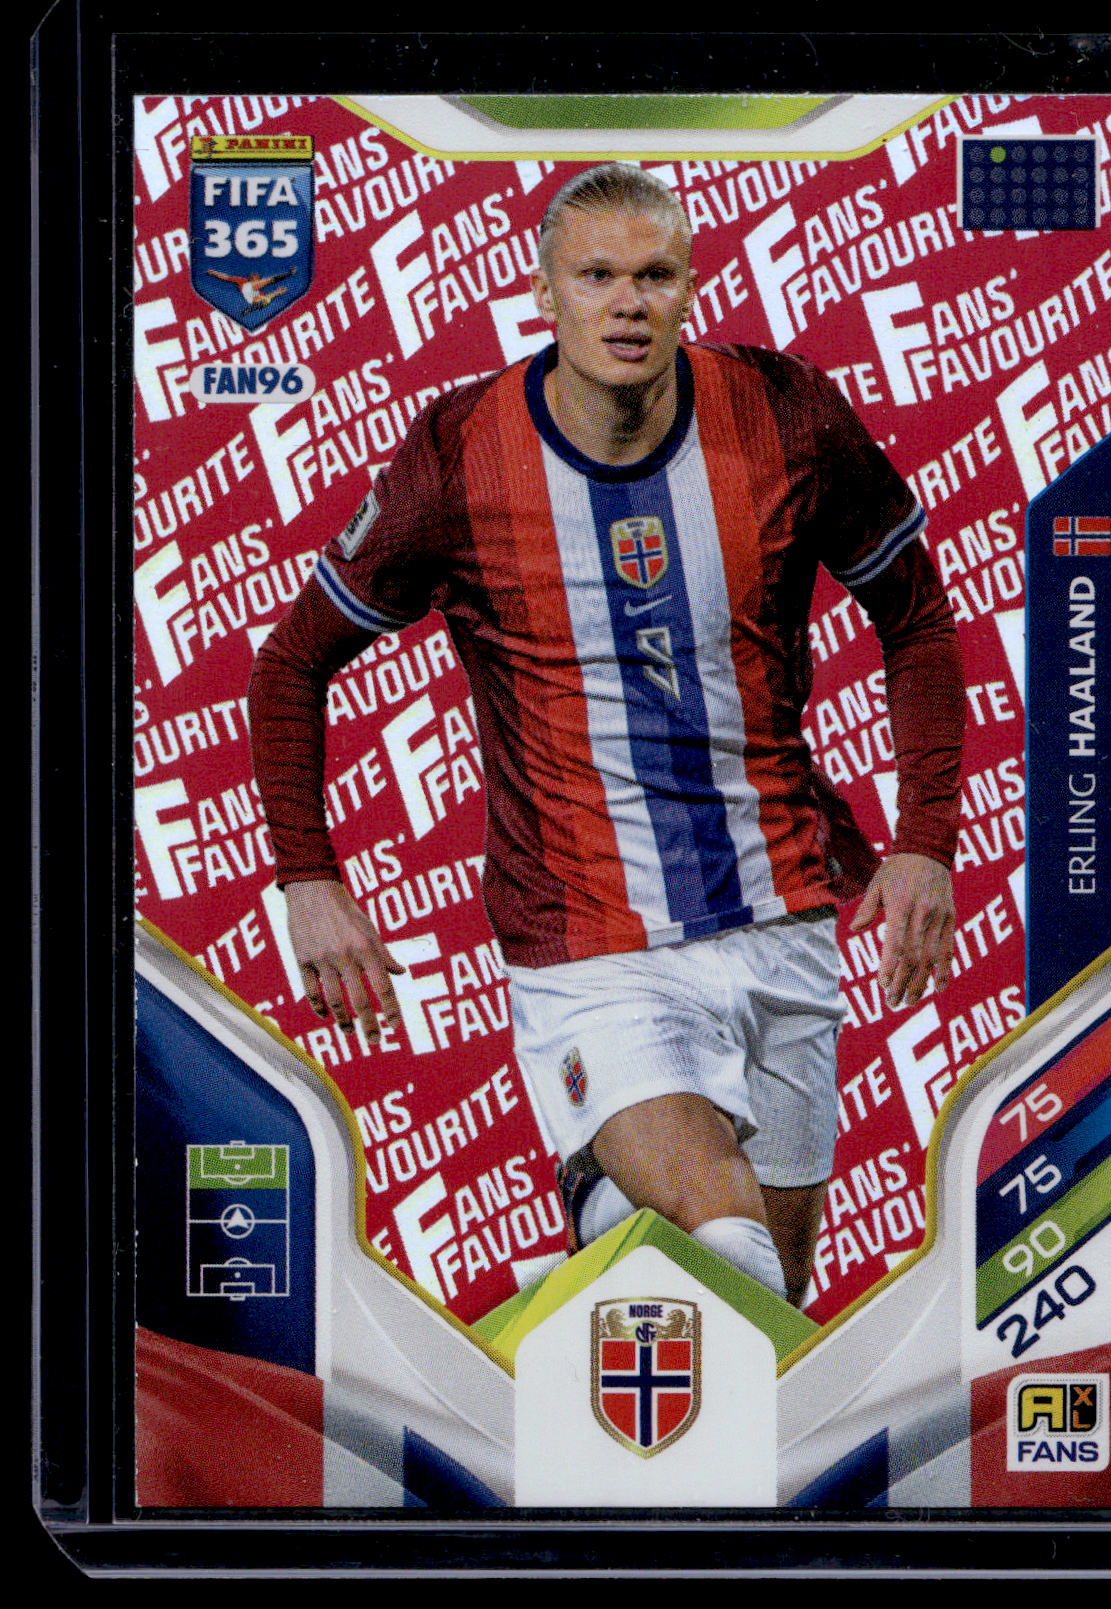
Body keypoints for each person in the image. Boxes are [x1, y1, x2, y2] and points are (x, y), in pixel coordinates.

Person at [248, 164, 964, 1308]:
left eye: (653, 275)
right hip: (587, 941)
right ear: (544, 294)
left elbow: (916, 618)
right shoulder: (462, 455)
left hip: (780, 914)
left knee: (771, 1305)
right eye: (595, 277)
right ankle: (605, 1193)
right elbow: (291, 663)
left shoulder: (784, 416)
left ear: (689, 289)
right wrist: (307, 875)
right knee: (726, 1243)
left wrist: (924, 838)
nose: (626, 303)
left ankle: (600, 1218)